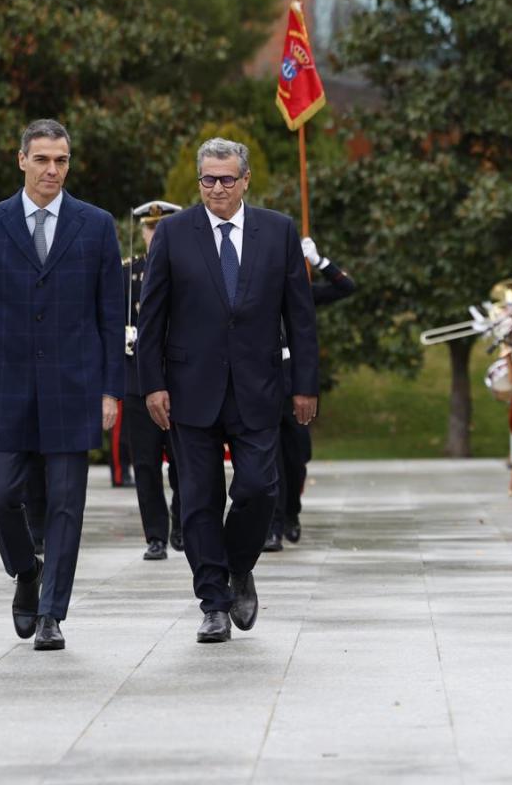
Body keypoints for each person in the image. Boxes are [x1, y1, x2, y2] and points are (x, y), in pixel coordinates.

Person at [136, 137, 319, 644]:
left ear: (245, 180)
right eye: (208, 180)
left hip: (259, 387)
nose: (217, 188)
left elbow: (299, 317)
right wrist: (150, 384)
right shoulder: (173, 234)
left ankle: (240, 566)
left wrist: (305, 384)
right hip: (188, 389)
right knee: (197, 500)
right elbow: (152, 317)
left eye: (226, 179)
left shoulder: (278, 232)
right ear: (200, 182)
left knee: (260, 488)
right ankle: (213, 602)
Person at [0, 118, 125, 651]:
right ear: (22, 160)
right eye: (43, 159)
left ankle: (52, 613)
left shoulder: (96, 226)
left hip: (74, 387)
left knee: (67, 505)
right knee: (1, 494)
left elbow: (110, 317)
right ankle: (26, 572)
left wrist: (110, 390)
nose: (53, 169)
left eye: (62, 160)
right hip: (4, 389)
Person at [265, 235, 357, 549]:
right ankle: (273, 527)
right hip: (263, 382)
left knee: (297, 457)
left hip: (294, 383)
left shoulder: (298, 293)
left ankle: (292, 513)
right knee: (270, 459)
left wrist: (319, 262)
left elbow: (345, 288)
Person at [125, 200, 184, 560]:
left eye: (161, 230)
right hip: (136, 378)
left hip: (179, 378)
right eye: (150, 229)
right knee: (145, 463)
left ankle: (182, 524)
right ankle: (155, 535)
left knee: (184, 461)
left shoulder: (187, 269)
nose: (154, 236)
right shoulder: (126, 274)